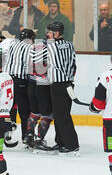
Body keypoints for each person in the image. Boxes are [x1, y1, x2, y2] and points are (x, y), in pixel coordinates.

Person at [46, 21, 80, 155]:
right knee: (60, 115)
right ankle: (61, 141)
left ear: (57, 33)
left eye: (50, 32)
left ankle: (72, 144)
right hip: (68, 83)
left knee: (62, 115)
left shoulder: (51, 46)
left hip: (59, 84)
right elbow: (73, 64)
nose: (47, 34)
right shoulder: (70, 45)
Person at [23, 29, 54, 152]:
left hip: (31, 83)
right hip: (43, 83)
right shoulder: (50, 47)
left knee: (35, 112)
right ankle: (39, 140)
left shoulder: (32, 47)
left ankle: (28, 137)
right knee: (47, 114)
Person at [4, 28, 35, 144]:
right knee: (24, 111)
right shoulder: (28, 47)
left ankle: (6, 133)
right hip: (20, 81)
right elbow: (28, 66)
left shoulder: (12, 45)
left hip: (8, 80)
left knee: (9, 108)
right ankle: (26, 137)